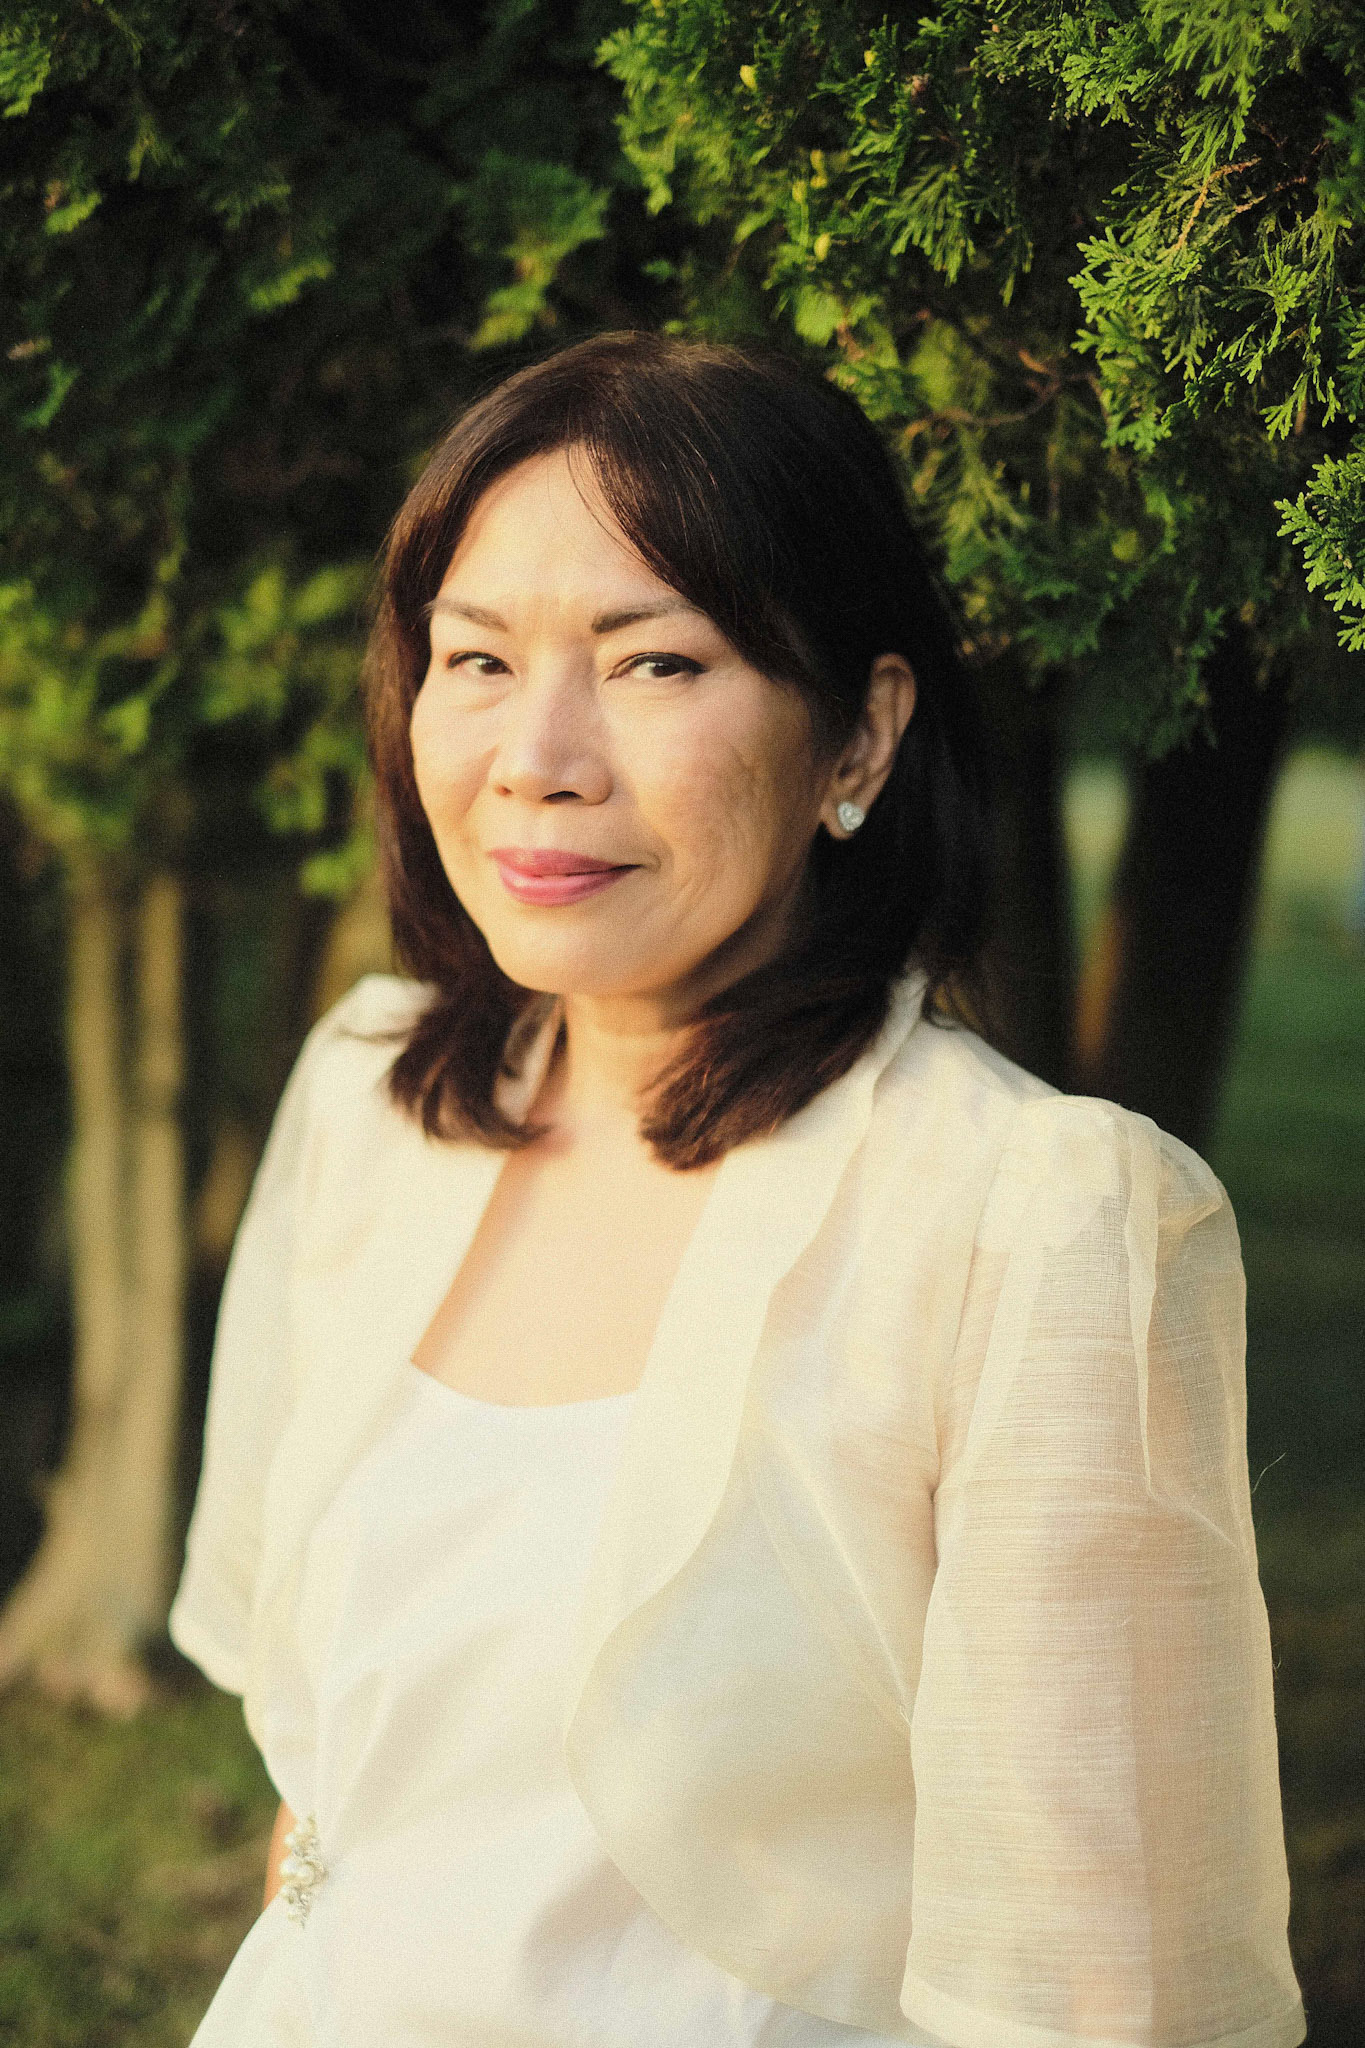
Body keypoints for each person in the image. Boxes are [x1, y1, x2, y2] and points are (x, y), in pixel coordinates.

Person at [168, 331, 1307, 2048]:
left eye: (655, 662)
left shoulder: (1028, 1222)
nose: (538, 756)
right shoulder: (371, 1099)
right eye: (475, 658)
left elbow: (1097, 1988)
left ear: (858, 734)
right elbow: (328, 1785)